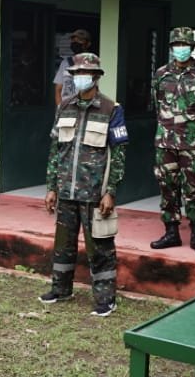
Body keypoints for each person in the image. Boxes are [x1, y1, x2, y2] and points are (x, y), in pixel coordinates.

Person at [38, 53, 128, 317]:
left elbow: (119, 155)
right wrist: (51, 187)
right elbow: (55, 150)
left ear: (97, 77)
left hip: (94, 193)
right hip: (66, 190)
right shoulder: (64, 107)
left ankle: (104, 299)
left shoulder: (112, 110)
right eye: (76, 74)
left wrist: (111, 192)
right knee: (63, 244)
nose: (80, 78)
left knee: (100, 248)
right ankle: (60, 289)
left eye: (85, 74)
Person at [150, 27, 195, 255]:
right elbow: (157, 106)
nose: (181, 49)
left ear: (193, 47)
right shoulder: (160, 74)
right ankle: (171, 232)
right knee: (167, 187)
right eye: (177, 45)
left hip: (192, 143)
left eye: (185, 45)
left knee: (194, 189)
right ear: (171, 48)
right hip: (166, 141)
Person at [52, 29, 93, 104]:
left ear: (88, 44)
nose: (75, 43)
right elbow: (58, 90)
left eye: (80, 40)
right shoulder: (65, 63)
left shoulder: (95, 64)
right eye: (73, 40)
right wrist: (60, 110)